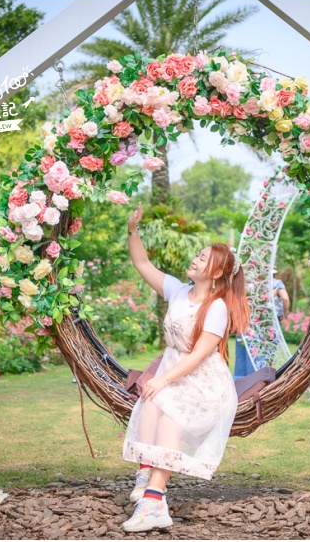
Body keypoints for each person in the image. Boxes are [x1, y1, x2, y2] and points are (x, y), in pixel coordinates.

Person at [120, 203, 249, 532]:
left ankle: (152, 499)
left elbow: (199, 355)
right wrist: (133, 229)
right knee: (150, 406)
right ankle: (147, 475)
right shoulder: (178, 291)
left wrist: (162, 379)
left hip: (204, 383)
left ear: (217, 273)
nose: (196, 258)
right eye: (199, 254)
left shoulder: (216, 308)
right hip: (176, 373)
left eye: (204, 258)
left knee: (170, 422)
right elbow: (141, 263)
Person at [233, 270, 290, 380]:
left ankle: (240, 382)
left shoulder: (252, 284)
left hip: (248, 323)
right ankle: (257, 381)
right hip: (268, 323)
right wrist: (284, 313)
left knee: (245, 354)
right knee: (264, 352)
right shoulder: (276, 284)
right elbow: (285, 298)